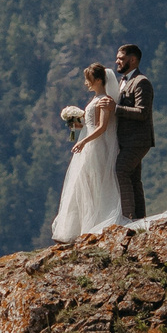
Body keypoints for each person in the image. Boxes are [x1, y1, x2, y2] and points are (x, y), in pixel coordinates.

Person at [52, 63, 124, 240]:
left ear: (98, 80)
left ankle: (94, 223)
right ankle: (78, 227)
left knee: (93, 183)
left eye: (89, 80)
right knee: (82, 184)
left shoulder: (103, 101)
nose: (86, 83)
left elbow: (101, 127)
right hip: (89, 146)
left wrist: (83, 141)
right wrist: (75, 123)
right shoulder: (95, 99)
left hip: (96, 147)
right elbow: (89, 123)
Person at [110, 42, 154, 221]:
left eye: (121, 58)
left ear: (133, 60)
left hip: (138, 140)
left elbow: (142, 112)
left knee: (120, 170)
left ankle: (129, 217)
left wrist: (116, 109)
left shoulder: (141, 82)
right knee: (134, 178)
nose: (117, 62)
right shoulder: (123, 81)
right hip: (127, 140)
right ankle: (139, 218)